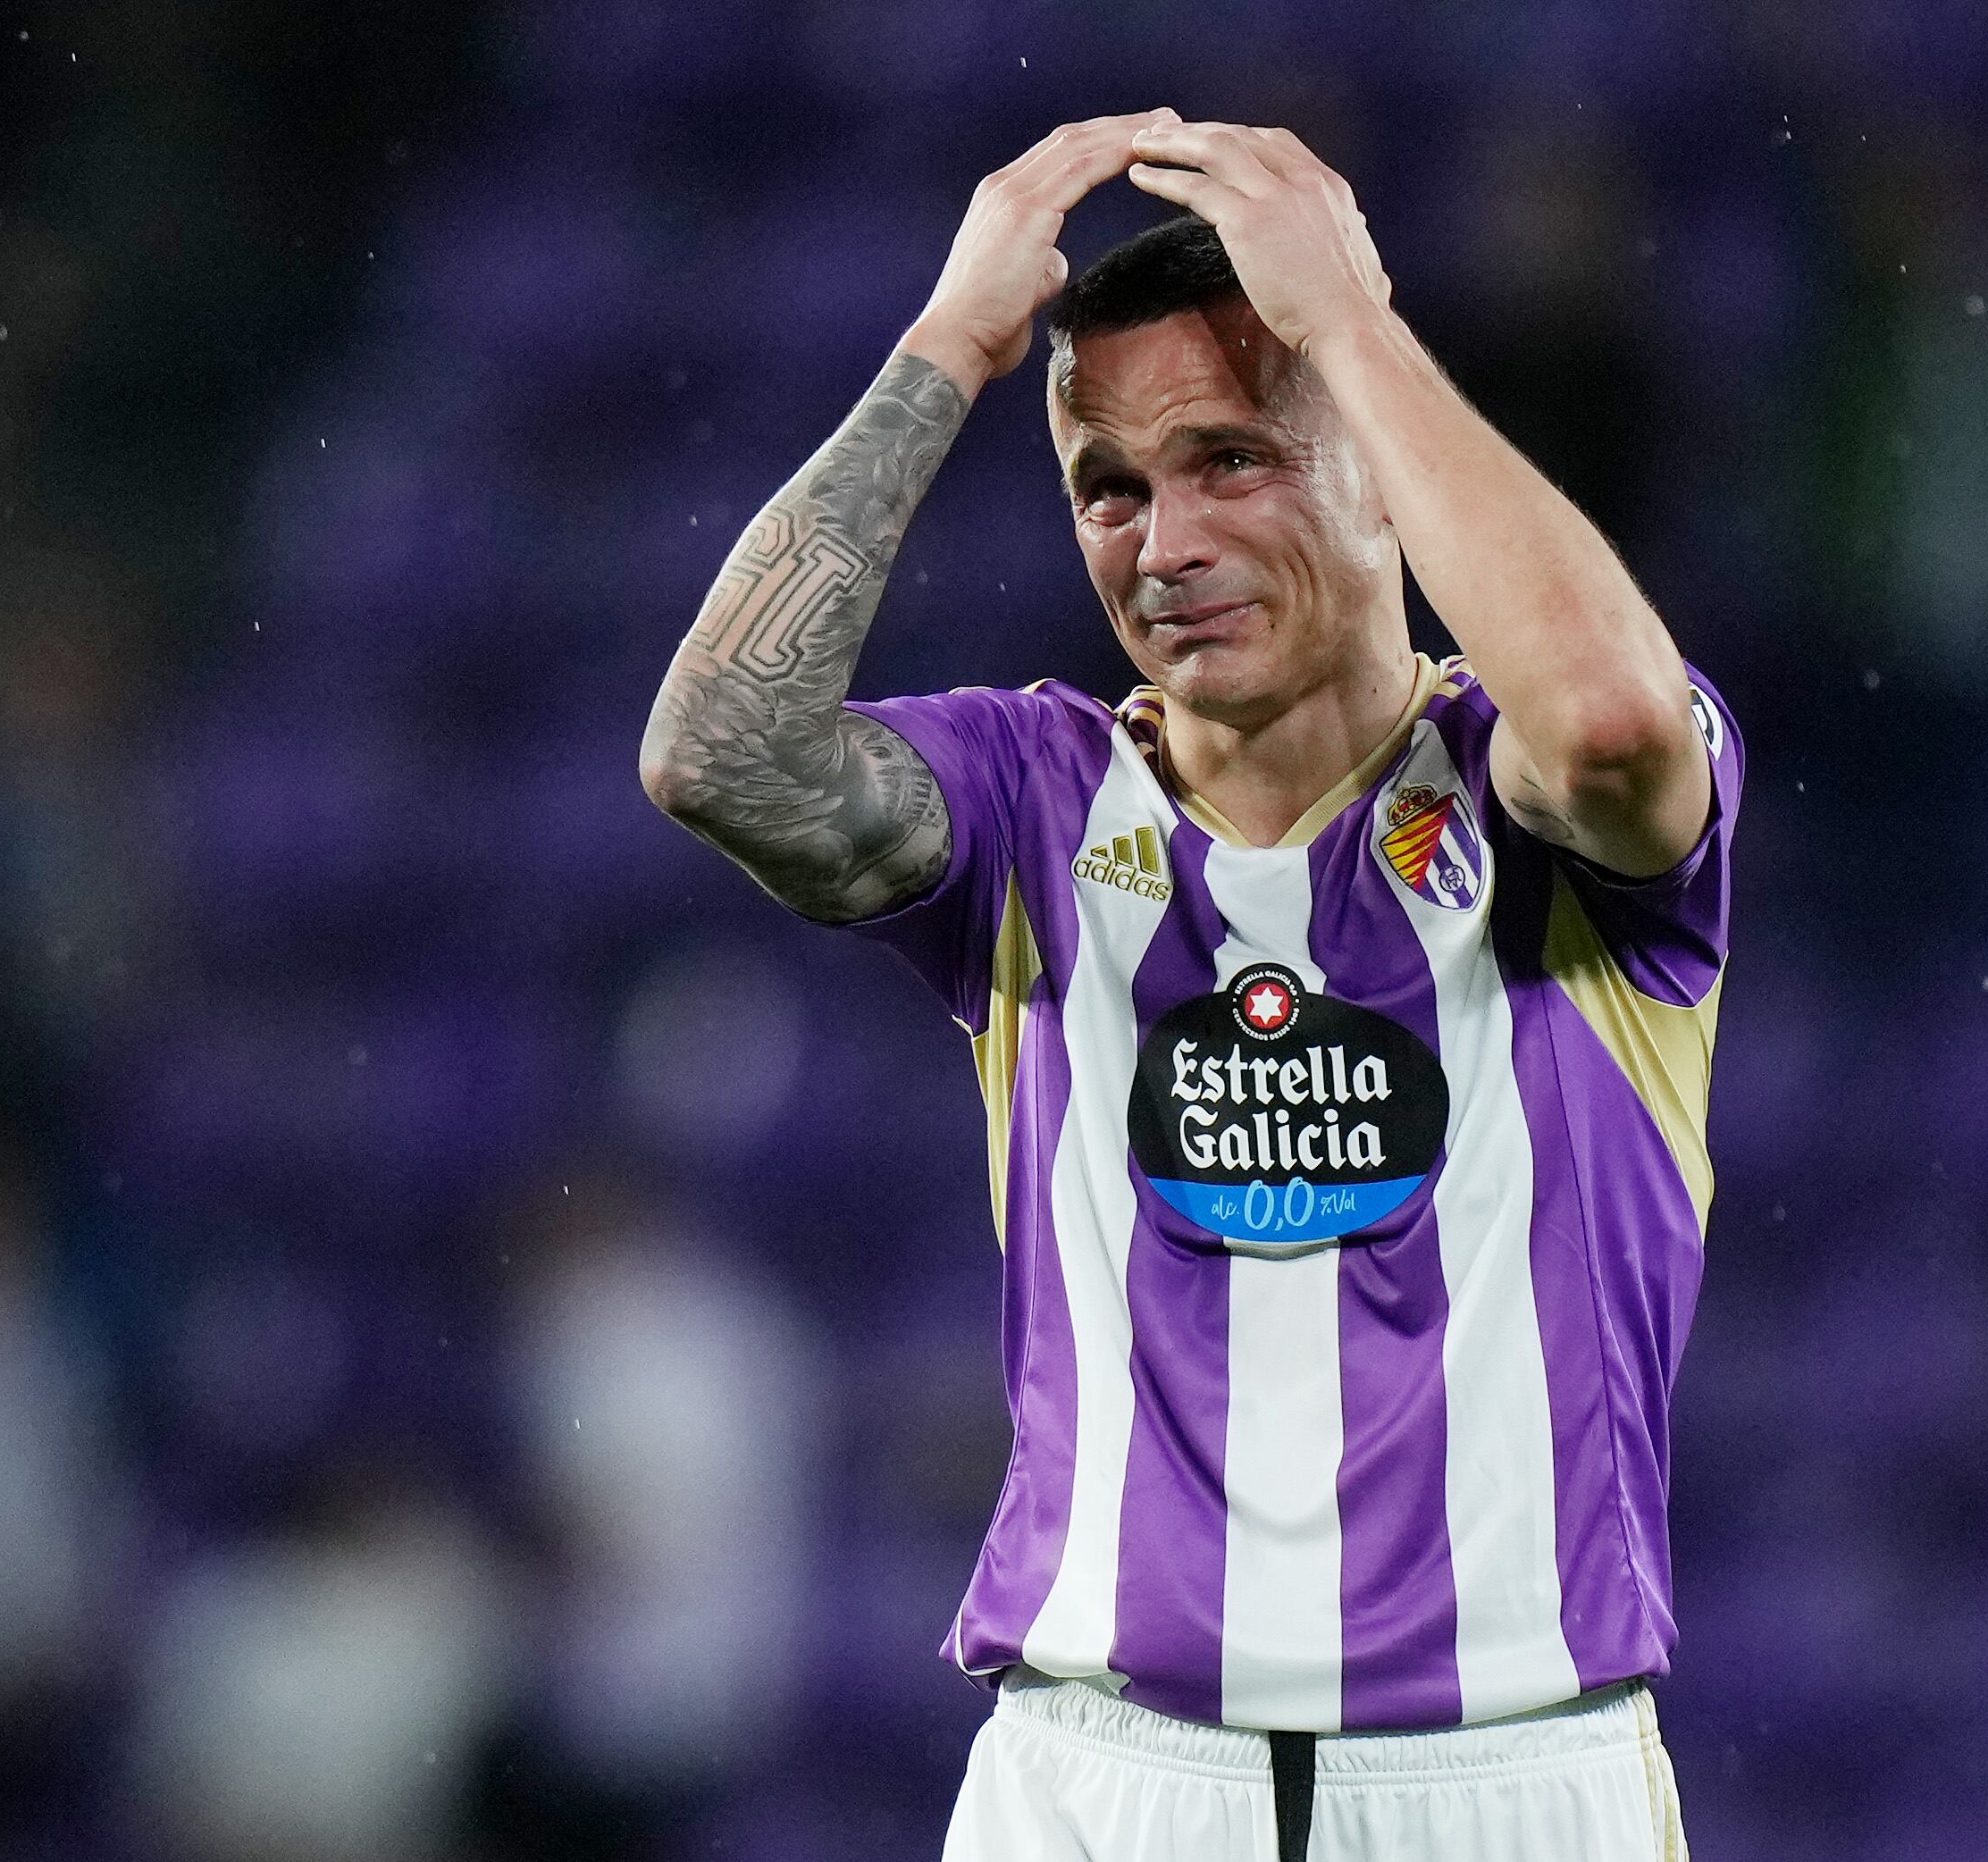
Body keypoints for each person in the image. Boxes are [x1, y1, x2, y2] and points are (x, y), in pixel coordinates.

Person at [642, 109, 1740, 1862]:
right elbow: (719, 758)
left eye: (1231, 458)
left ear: (1376, 461)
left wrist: (1357, 335)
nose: (1165, 543)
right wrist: (949, 351)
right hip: (1097, 1774)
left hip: (1504, 1778)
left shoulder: (1525, 796)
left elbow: (1610, 723)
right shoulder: (1030, 799)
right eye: (1113, 486)